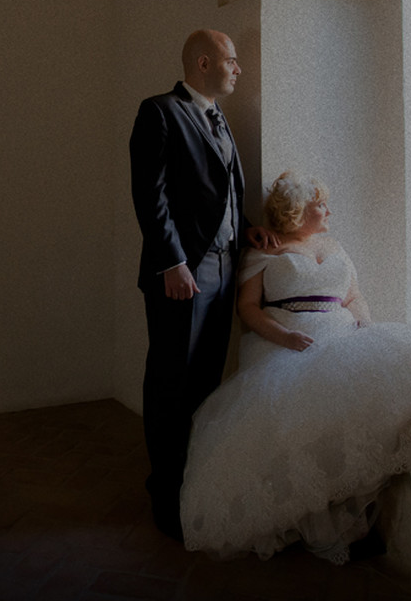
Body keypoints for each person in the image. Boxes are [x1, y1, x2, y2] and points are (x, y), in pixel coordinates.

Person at [179, 171, 411, 564]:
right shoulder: (264, 250)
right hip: (288, 343)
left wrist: (367, 329)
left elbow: (354, 296)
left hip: (342, 334)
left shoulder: (334, 245)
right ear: (298, 211)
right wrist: (283, 337)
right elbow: (248, 309)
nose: (329, 210)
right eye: (322, 204)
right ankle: (324, 520)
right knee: (308, 414)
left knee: (392, 374)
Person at [129, 29, 276, 540]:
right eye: (233, 61)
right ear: (205, 61)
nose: (239, 69)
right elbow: (152, 195)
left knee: (205, 381)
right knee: (171, 381)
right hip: (183, 274)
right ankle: (164, 494)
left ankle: (194, 481)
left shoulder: (218, 117)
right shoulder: (160, 111)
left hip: (224, 268)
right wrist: (172, 262)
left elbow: (221, 192)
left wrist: (249, 227)